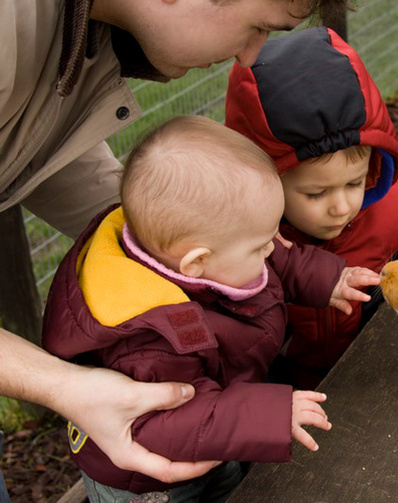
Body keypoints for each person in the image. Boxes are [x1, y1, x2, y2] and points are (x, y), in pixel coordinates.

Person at [1, 0, 341, 487]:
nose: (250, 56)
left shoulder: (81, 31)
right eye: (258, 27)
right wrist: (61, 387)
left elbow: (31, 144)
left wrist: (174, 228)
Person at [41, 115, 380, 501]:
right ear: (195, 265)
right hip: (153, 475)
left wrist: (328, 279)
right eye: (261, 245)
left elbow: (277, 263)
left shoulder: (206, 249)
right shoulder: (149, 340)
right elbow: (169, 422)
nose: (274, 247)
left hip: (219, 427)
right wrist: (268, 417)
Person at [225, 26, 398, 388]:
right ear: (266, 183)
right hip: (292, 385)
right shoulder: (248, 247)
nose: (342, 206)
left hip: (374, 370)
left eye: (355, 183)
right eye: (316, 194)